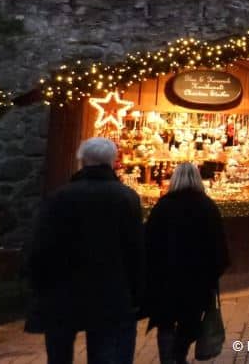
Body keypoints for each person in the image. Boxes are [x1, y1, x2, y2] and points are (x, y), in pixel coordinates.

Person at [27, 137, 144, 363]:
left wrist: (39, 286)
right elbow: (135, 249)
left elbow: (41, 247)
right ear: (112, 161)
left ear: (81, 161)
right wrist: (136, 293)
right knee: (107, 352)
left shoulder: (59, 197)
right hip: (110, 291)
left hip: (63, 291)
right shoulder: (126, 198)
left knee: (60, 354)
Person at [144, 162, 229, 364]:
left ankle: (168, 358)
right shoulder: (207, 206)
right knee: (190, 321)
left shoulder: (162, 206)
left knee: (165, 321)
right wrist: (213, 273)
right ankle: (178, 355)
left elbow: (149, 242)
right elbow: (219, 246)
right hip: (197, 279)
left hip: (165, 278)